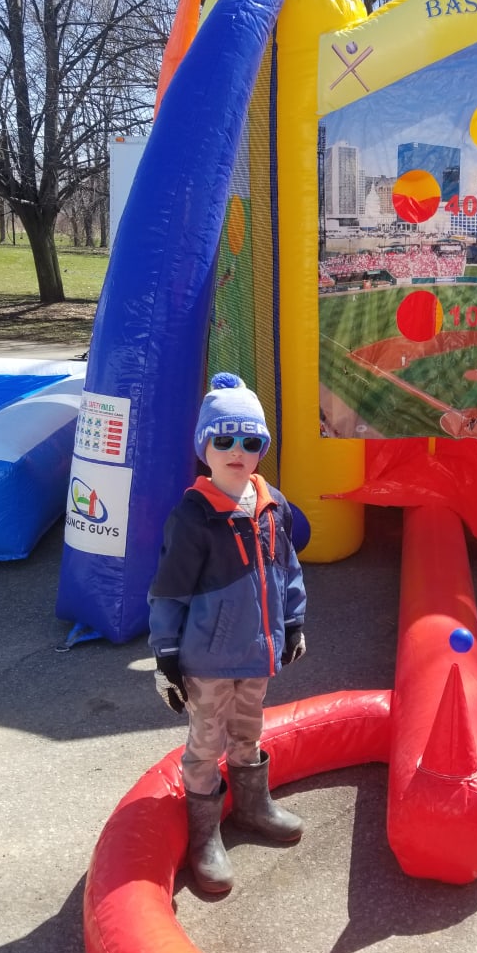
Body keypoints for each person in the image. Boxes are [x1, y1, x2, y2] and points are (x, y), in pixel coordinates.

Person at [148, 371, 308, 894]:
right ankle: (204, 835)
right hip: (209, 661)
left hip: (257, 654)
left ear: (262, 448)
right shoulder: (194, 517)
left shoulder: (272, 504)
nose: (237, 451)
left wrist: (292, 621)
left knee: (248, 732)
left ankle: (253, 806)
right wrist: (166, 655)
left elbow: (288, 569)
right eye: (224, 440)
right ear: (205, 446)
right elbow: (168, 590)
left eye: (250, 441)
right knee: (205, 743)